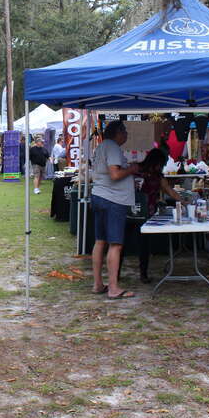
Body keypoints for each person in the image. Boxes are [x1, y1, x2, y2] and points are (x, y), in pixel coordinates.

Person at [90, 120, 139, 299]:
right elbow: (115, 174)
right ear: (117, 132)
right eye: (124, 131)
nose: (126, 135)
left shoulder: (102, 146)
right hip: (113, 200)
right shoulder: (112, 147)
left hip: (100, 196)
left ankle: (97, 284)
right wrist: (132, 169)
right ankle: (113, 288)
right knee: (115, 244)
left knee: (100, 241)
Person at [134, 148, 183, 283]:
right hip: (134, 210)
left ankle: (143, 273)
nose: (161, 167)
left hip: (146, 212)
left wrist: (183, 201)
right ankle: (135, 273)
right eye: (161, 163)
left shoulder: (157, 176)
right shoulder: (137, 170)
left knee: (144, 245)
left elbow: (170, 191)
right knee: (133, 244)